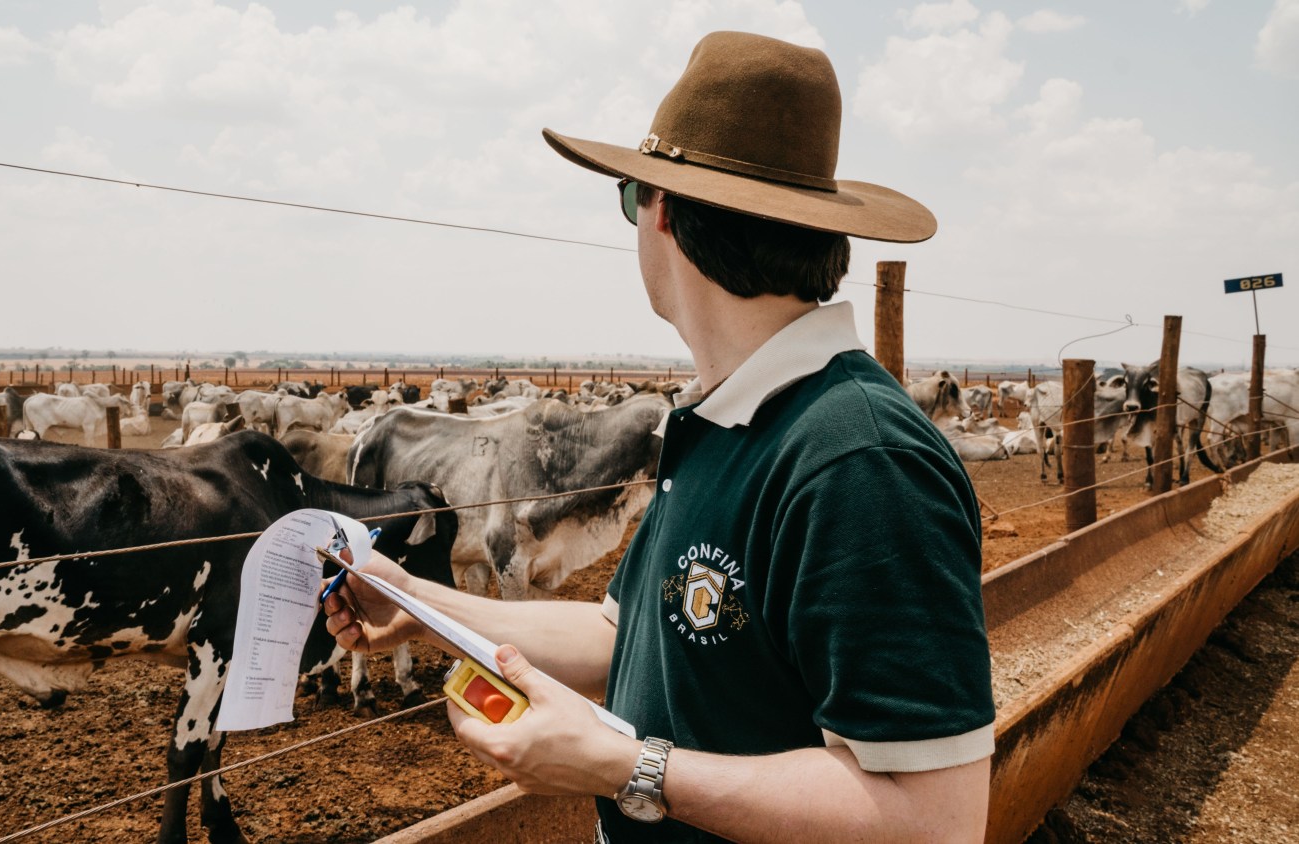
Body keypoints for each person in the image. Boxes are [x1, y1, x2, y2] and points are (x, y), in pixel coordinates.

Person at [324, 31, 995, 843]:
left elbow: (936, 822)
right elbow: (627, 635)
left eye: (628, 197)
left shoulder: (858, 460)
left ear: (663, 213)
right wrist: (415, 602)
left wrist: (625, 766)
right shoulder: (717, 422)